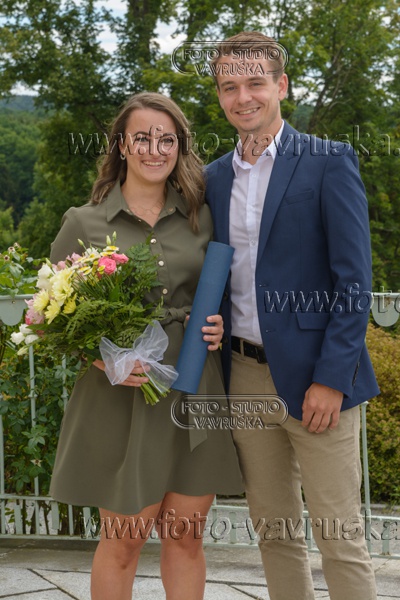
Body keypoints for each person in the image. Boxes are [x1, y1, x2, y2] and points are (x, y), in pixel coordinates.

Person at [205, 31, 380, 600]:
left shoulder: (329, 161)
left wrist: (332, 378)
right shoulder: (212, 179)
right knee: (274, 532)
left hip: (317, 379)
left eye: (255, 82)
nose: (243, 97)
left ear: (281, 86)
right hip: (243, 376)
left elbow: (354, 283)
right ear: (220, 95)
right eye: (229, 86)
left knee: (339, 536)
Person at [49, 92, 243, 600]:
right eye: (142, 138)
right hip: (123, 397)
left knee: (186, 538)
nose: (155, 150)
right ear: (121, 145)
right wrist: (101, 356)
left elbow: (228, 290)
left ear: (180, 147)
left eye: (167, 140)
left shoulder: (202, 216)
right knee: (124, 542)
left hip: (194, 389)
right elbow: (49, 315)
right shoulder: (83, 222)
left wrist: (218, 324)